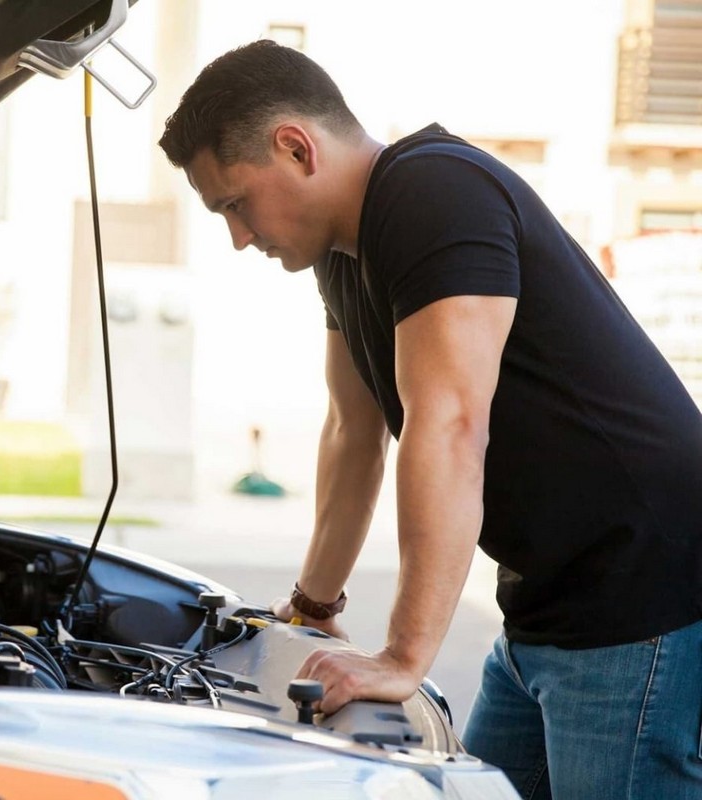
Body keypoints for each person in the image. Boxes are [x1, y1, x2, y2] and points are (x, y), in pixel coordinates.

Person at [158, 40, 702, 799]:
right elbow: (355, 432)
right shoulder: (343, 256)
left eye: (235, 204)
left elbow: (447, 423)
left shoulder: (432, 193)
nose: (239, 237)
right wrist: (313, 607)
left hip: (637, 597)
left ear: (295, 147)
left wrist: (403, 657)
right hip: (548, 602)